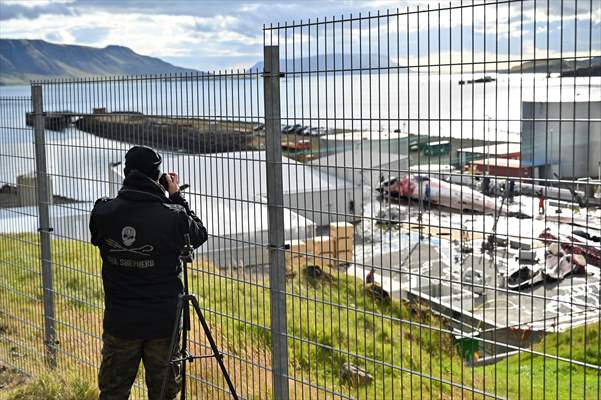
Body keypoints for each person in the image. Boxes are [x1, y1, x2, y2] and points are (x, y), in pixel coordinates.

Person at [90, 146, 208, 400]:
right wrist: (175, 196)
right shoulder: (173, 217)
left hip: (120, 320)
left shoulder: (102, 212)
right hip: (162, 322)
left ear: (125, 172)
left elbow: (102, 232)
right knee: (164, 392)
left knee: (113, 392)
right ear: (158, 177)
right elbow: (198, 233)